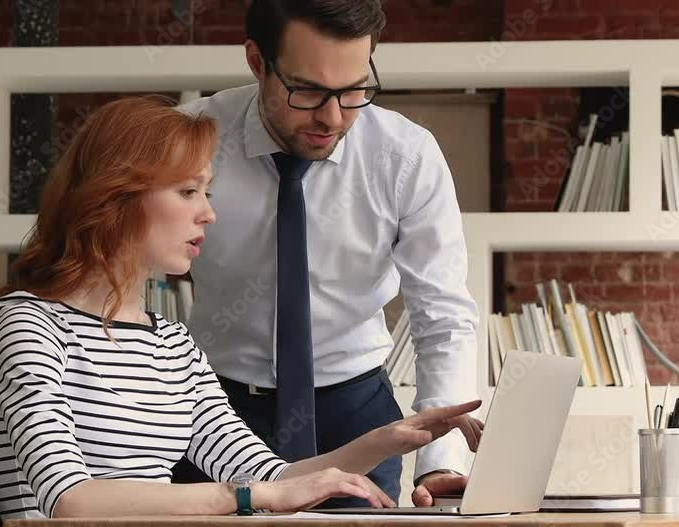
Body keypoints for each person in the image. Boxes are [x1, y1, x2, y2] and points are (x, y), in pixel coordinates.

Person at [0, 96, 483, 520]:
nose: (209, 214)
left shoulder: (171, 343)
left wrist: (385, 441)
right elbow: (69, 501)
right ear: (114, 199)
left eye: (207, 191)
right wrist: (242, 498)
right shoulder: (29, 325)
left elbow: (271, 476)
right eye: (188, 191)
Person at [170, 0, 483, 507]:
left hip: (355, 413)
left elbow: (442, 316)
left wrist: (441, 461)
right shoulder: (188, 140)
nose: (333, 117)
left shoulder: (405, 157)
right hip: (213, 409)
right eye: (308, 90)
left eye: (354, 89)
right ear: (257, 62)